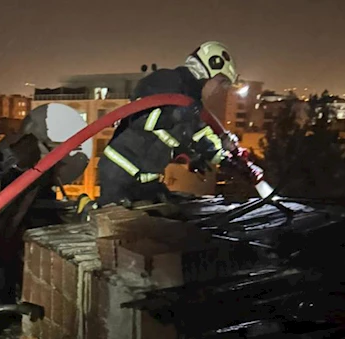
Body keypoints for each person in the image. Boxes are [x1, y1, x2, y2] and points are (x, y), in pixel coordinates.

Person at [78, 41, 239, 217]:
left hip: (148, 178)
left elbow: (200, 133)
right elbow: (140, 117)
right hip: (121, 169)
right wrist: (175, 117)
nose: (219, 90)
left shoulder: (192, 102)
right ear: (207, 71)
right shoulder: (166, 80)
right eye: (221, 82)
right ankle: (85, 208)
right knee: (109, 219)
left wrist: (223, 157)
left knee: (162, 215)